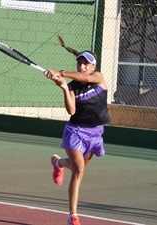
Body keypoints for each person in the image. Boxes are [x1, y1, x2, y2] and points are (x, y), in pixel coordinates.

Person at [44, 51, 111, 225]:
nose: (82, 66)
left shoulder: (98, 77)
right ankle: (72, 216)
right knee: (79, 171)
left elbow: (87, 79)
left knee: (77, 167)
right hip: (76, 132)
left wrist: (61, 73)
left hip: (95, 133)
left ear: (93, 66)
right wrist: (65, 87)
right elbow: (71, 110)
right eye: (79, 63)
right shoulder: (73, 86)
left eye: (85, 64)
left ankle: (58, 163)